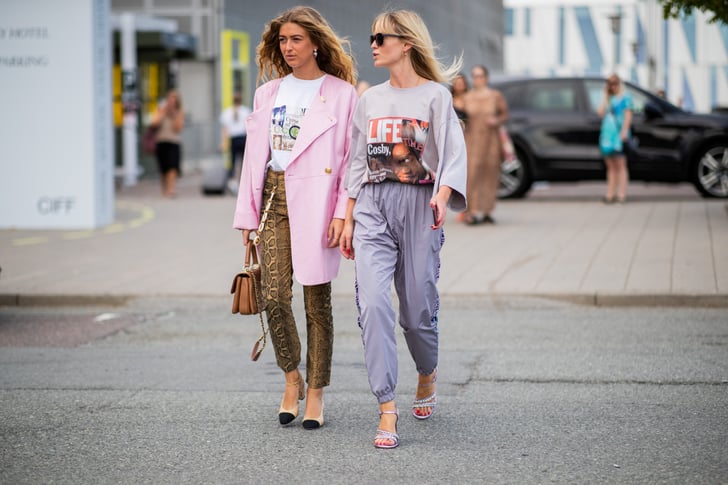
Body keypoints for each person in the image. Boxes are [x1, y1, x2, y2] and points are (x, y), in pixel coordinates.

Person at [340, 9, 467, 449]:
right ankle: (386, 407)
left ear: (406, 43)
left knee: (416, 311)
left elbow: (453, 151)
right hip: (373, 206)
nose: (372, 44)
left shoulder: (436, 97)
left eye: (381, 37)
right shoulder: (369, 99)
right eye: (371, 37)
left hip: (419, 205)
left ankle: (427, 371)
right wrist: (347, 212)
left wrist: (444, 194)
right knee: (373, 305)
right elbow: (356, 160)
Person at [232, 6, 358, 430]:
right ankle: (291, 379)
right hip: (273, 197)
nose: (288, 48)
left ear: (316, 43)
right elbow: (255, 158)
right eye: (283, 40)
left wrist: (344, 213)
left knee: (316, 303)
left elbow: (347, 162)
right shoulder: (268, 93)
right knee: (272, 295)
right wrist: (247, 214)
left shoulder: (341, 93)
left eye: (296, 40)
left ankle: (317, 392)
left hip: (318, 202)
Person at [462, 65, 508, 225]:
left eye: (480, 76)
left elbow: (504, 114)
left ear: (486, 78)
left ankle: (487, 210)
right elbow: (459, 115)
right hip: (472, 140)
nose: (478, 79)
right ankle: (472, 211)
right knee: (472, 174)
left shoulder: (495, 96)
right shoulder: (467, 97)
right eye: (475, 76)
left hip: (491, 140)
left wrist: (497, 120)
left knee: (490, 173)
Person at [597, 74, 633, 203]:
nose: (612, 86)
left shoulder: (625, 97)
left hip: (619, 135)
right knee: (610, 166)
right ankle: (610, 194)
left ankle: (621, 195)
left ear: (619, 83)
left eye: (615, 83)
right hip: (607, 135)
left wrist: (624, 132)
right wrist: (605, 96)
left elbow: (628, 115)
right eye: (610, 84)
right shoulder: (608, 98)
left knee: (621, 165)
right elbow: (600, 112)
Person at [150, 90, 185, 198]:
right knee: (163, 169)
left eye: (174, 100)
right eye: (170, 99)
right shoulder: (160, 109)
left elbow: (178, 128)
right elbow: (154, 124)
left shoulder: (179, 111)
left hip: (173, 142)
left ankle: (171, 190)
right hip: (161, 141)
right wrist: (163, 112)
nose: (172, 102)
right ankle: (164, 190)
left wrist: (174, 115)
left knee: (172, 167)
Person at [219, 91, 252, 190]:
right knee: (240, 161)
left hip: (236, 138)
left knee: (234, 161)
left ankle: (235, 181)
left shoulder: (228, 112)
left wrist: (224, 142)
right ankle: (238, 181)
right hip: (241, 138)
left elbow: (225, 130)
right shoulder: (246, 111)